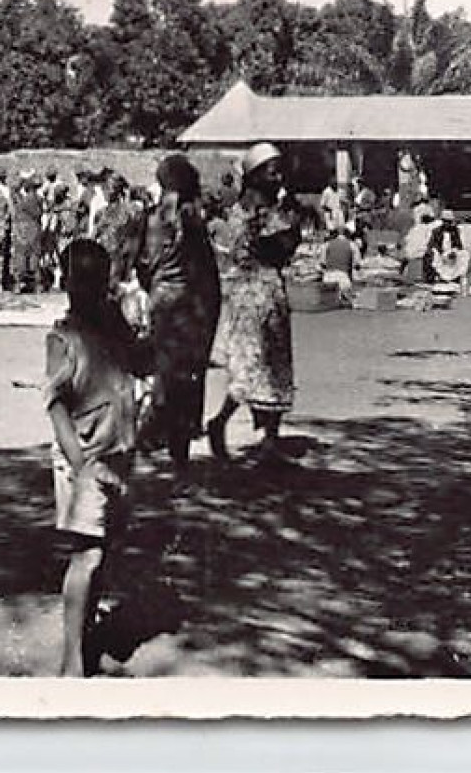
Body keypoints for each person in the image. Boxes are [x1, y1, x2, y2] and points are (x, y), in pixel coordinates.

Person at [45, 238, 149, 677]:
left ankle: (86, 629)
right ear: (67, 284)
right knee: (86, 555)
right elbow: (55, 404)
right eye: (79, 281)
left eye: (96, 280)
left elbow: (142, 361)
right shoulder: (62, 338)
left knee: (105, 550)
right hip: (85, 457)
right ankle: (72, 658)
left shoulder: (114, 325)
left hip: (120, 449)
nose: (88, 290)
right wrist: (80, 462)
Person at [205, 142, 302, 466]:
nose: (279, 177)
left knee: (271, 367)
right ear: (256, 175)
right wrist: (292, 220)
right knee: (252, 367)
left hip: (262, 293)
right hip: (254, 296)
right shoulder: (258, 213)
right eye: (273, 172)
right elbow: (280, 249)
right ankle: (220, 422)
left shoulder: (247, 210)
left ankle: (269, 441)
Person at [136, 154, 223, 469]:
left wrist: (157, 290)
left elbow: (141, 267)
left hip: (163, 306)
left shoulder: (151, 219)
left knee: (166, 376)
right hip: (192, 309)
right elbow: (206, 272)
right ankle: (179, 459)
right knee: (189, 381)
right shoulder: (193, 221)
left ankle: (152, 433)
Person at [10, 172, 45, 293]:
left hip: (22, 230)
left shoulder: (22, 201)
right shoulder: (39, 199)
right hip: (34, 230)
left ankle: (18, 284)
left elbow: (13, 190)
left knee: (20, 257)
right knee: (34, 257)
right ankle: (37, 285)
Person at [400, 207, 440, 284]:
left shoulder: (413, 229)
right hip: (422, 258)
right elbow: (429, 244)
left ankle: (401, 272)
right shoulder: (429, 229)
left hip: (410, 257)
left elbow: (406, 241)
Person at [322, 223, 358, 303]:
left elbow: (322, 263)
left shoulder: (327, 245)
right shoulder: (352, 245)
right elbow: (356, 264)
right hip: (343, 277)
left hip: (328, 278)